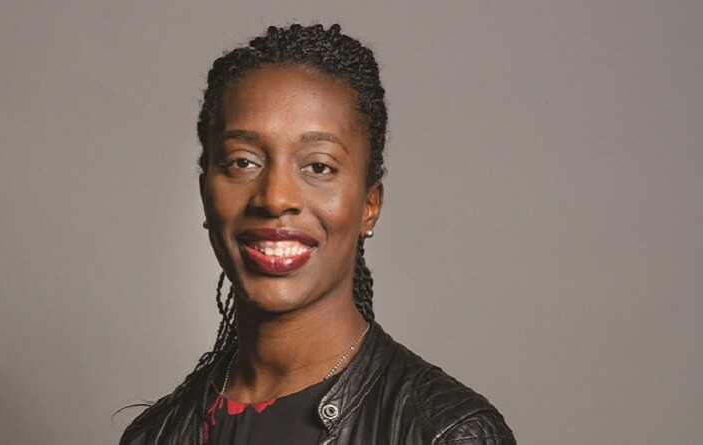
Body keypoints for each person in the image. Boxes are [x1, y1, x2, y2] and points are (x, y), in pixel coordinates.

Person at [120, 23, 516, 445]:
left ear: (369, 206)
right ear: (205, 195)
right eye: (242, 162)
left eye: (319, 166)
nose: (275, 198)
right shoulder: (156, 435)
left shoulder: (448, 434)